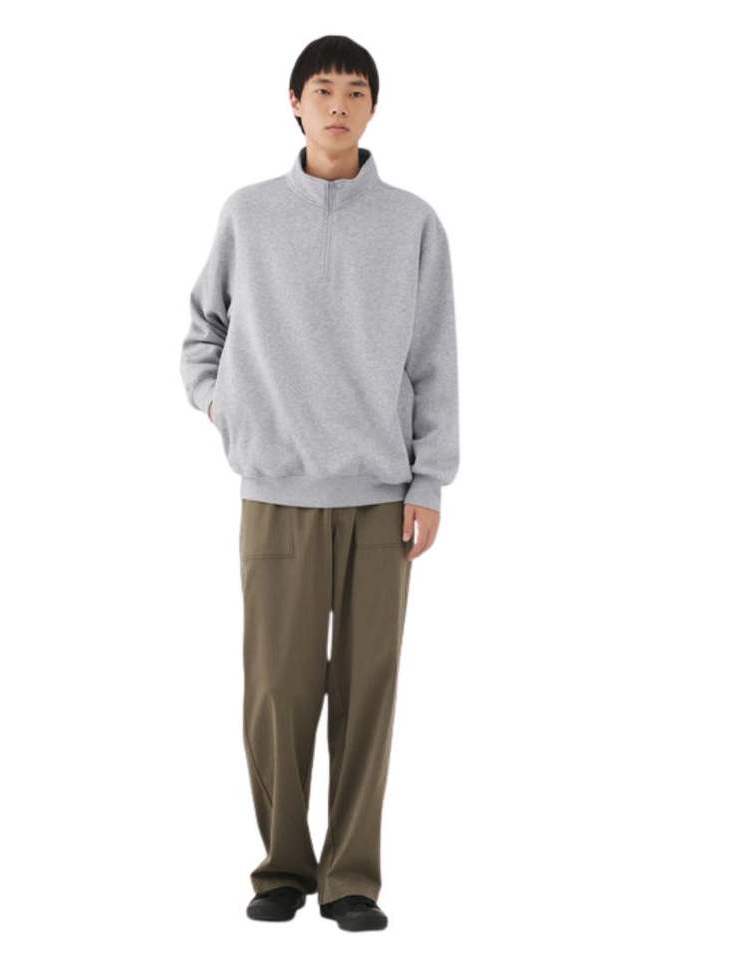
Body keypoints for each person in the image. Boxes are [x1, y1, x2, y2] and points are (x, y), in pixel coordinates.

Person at [180, 34, 460, 932]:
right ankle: (282, 867)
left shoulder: (414, 223)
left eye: (356, 91)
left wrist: (429, 481)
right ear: (294, 102)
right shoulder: (249, 214)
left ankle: (351, 879)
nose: (339, 105)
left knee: (368, 691)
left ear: (373, 108)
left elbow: (434, 361)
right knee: (277, 691)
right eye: (323, 89)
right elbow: (202, 333)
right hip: (276, 492)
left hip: (381, 498)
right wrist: (226, 409)